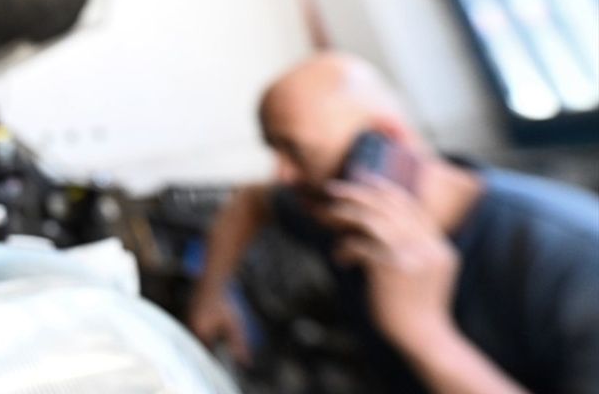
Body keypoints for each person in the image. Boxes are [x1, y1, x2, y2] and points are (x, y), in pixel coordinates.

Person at [188, 52, 599, 394]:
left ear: (386, 140)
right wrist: (212, 294)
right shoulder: (333, 208)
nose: (282, 175)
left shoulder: (575, 260)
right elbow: (251, 202)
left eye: (296, 151)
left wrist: (425, 332)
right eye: (274, 149)